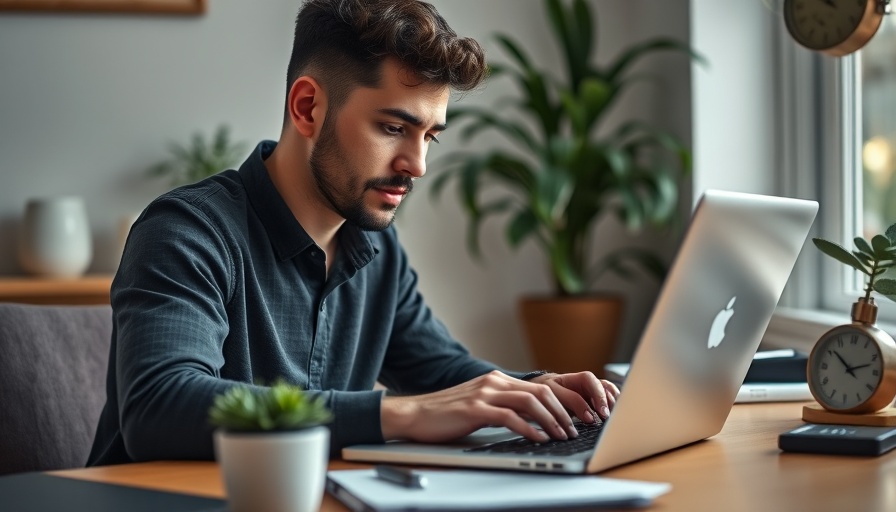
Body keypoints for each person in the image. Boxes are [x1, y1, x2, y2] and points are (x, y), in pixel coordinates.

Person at [87, 0, 620, 466]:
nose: (417, 165)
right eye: (393, 128)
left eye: (429, 136)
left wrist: (533, 390)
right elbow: (159, 405)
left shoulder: (376, 248)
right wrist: (400, 414)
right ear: (308, 107)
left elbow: (442, 372)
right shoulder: (186, 232)